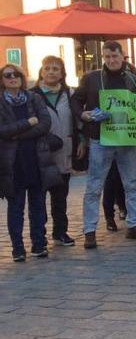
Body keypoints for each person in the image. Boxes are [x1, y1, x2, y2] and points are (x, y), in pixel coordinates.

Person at [71, 41, 136, 248]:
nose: (111, 60)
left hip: (126, 138)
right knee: (94, 186)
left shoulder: (132, 79)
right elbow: (76, 100)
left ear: (122, 56)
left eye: (114, 56)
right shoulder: (92, 78)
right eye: (107, 57)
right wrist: (83, 114)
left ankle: (133, 224)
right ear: (102, 57)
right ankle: (89, 231)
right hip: (100, 138)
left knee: (131, 182)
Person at [0, 63, 62, 262]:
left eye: (16, 74)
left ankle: (38, 244)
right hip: (12, 163)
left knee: (38, 206)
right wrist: (27, 123)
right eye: (7, 75)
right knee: (16, 207)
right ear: (2, 80)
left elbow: (45, 124)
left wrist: (18, 134)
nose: (13, 78)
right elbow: (2, 131)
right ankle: (17, 248)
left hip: (37, 159)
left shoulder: (33, 98)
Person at [29, 56, 79, 246]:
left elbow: (76, 121)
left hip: (64, 150)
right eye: (47, 68)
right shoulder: (31, 95)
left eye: (55, 69)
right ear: (41, 72)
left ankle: (60, 231)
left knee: (60, 197)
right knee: (38, 199)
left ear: (61, 73)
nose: (51, 72)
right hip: (39, 154)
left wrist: (81, 141)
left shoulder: (70, 94)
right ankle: (38, 237)